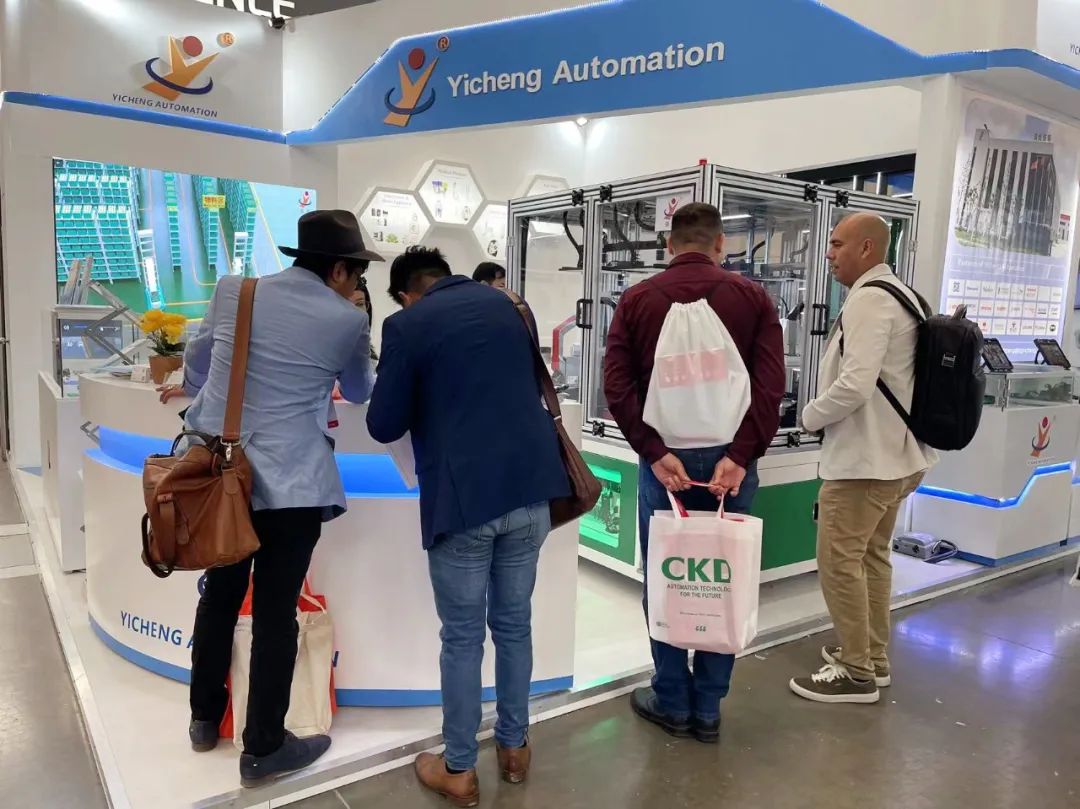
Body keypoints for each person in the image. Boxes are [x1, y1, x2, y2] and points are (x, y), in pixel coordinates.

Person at [160, 210, 382, 787]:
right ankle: (262, 747)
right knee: (275, 613)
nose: (356, 286)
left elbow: (199, 364)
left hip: (220, 469)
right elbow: (360, 390)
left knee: (220, 594)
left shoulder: (236, 291)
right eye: (357, 275)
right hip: (293, 482)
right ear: (340, 270)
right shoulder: (347, 319)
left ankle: (203, 719)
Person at [366, 247, 569, 807]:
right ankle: (515, 748)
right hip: (531, 487)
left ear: (406, 293)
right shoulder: (511, 305)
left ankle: (459, 768)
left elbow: (382, 423)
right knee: (514, 625)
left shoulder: (407, 326)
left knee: (461, 638)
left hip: (463, 500)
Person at [604, 202, 785, 743]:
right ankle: (708, 706)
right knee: (724, 573)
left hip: (666, 463)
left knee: (667, 572)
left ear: (669, 245)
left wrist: (653, 452)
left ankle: (671, 697)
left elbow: (617, 386)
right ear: (721, 243)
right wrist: (741, 456)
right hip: (732, 459)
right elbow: (770, 388)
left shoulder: (637, 300)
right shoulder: (752, 298)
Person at [789, 213, 935, 704]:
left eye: (837, 244)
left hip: (864, 464)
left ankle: (856, 674)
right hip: (897, 458)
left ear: (867, 248)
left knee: (838, 562)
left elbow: (855, 384)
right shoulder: (903, 295)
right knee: (873, 557)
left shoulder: (870, 300)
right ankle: (872, 656)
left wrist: (809, 416)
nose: (829, 253)